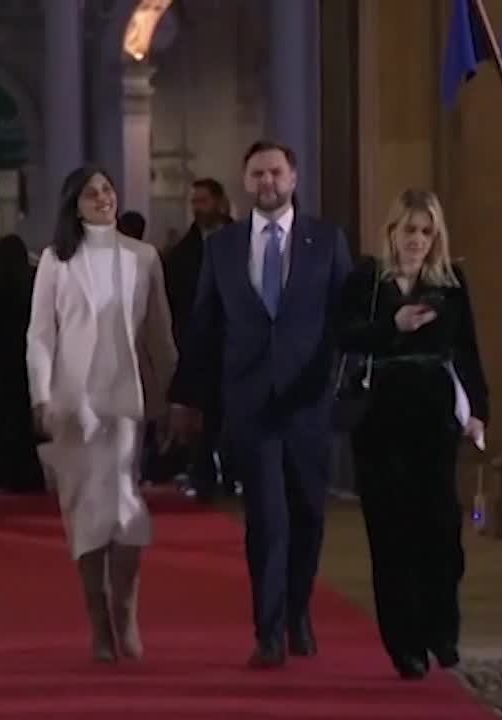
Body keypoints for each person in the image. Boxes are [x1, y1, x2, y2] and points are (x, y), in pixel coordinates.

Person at [168, 140, 352, 668]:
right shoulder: (223, 247)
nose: (267, 182)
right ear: (246, 181)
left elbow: (346, 317)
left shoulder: (326, 241)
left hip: (308, 400)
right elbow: (203, 327)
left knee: (308, 513)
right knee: (266, 518)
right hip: (250, 403)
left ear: (294, 177)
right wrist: (187, 399)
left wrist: (345, 380)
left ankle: (298, 611)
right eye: (257, 174)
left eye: (275, 172)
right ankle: (268, 632)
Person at [26, 166, 177, 663]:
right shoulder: (55, 261)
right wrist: (41, 396)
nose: (103, 198)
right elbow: (40, 335)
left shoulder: (143, 257)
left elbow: (160, 337)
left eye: (108, 190)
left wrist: (171, 399)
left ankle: (125, 609)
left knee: (126, 511)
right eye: (91, 193)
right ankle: (97, 618)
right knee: (86, 514)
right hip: (73, 406)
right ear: (74, 204)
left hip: (126, 403)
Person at [334, 189, 487, 678]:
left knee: (440, 529)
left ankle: (442, 630)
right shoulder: (367, 279)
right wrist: (391, 324)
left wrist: (478, 411)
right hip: (379, 415)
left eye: (426, 231)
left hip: (433, 414)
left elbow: (467, 349)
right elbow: (341, 334)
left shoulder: (450, 282)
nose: (417, 240)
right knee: (391, 532)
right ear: (392, 232)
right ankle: (405, 644)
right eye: (410, 230)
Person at [163, 178, 233, 502]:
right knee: (204, 419)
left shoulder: (242, 241)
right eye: (194, 202)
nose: (198, 208)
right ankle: (203, 475)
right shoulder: (182, 254)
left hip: (236, 345)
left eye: (203, 201)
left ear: (219, 202)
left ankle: (234, 475)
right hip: (200, 347)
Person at [0, 233, 45, 493]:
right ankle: (23, 476)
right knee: (21, 421)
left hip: (6, 361)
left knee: (8, 419)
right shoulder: (32, 285)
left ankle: (1, 475)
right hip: (27, 359)